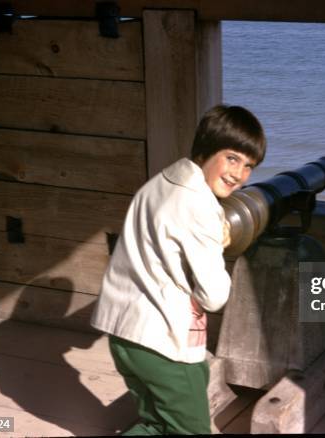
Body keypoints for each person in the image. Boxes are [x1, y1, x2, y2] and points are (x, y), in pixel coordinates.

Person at [90, 104, 266, 435]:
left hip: (124, 335)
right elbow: (214, 296)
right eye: (232, 158)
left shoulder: (159, 183)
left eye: (249, 166)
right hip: (162, 344)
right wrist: (218, 243)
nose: (239, 174)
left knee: (156, 425)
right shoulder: (201, 207)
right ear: (207, 148)